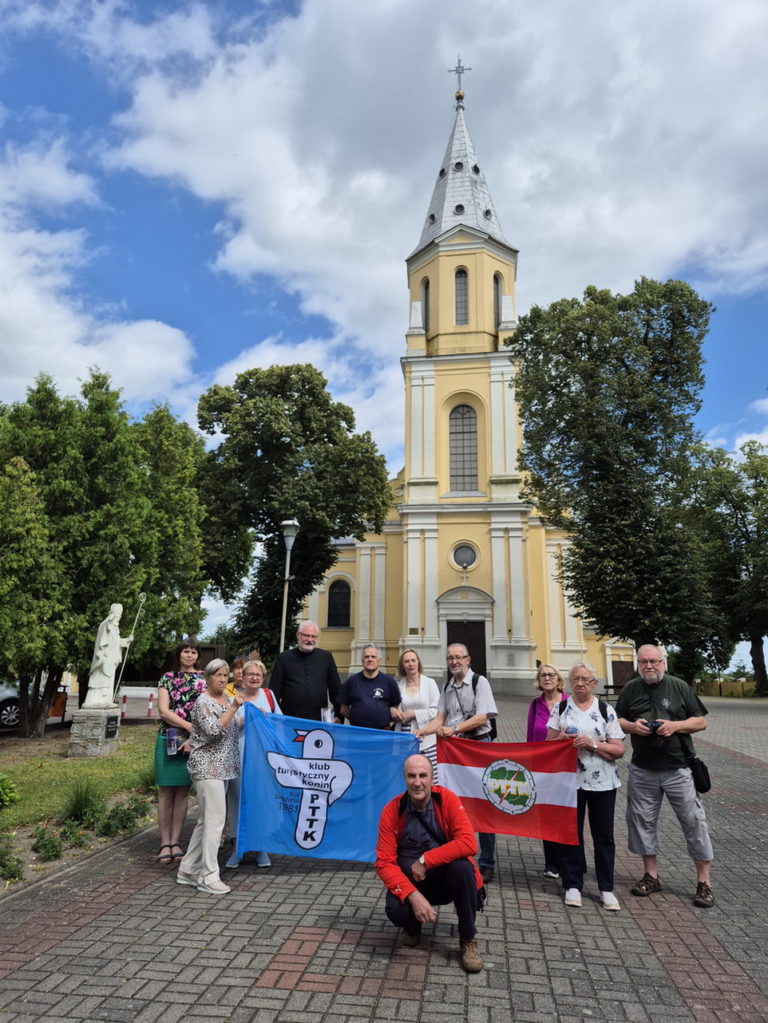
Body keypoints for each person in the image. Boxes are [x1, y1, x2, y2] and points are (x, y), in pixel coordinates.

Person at [615, 644, 714, 908]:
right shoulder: (631, 689)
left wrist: (675, 726)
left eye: (654, 661)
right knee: (642, 821)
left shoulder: (679, 686)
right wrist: (633, 726)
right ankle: (651, 876)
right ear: (638, 664)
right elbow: (617, 720)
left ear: (664, 663)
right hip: (642, 768)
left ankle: (704, 883)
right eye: (644, 661)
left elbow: (700, 721)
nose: (649, 666)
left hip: (678, 768)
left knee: (694, 821)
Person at [376, 754, 485, 972]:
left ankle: (467, 939)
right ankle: (413, 927)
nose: (417, 782)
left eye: (423, 775)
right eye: (411, 776)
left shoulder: (448, 800)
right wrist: (413, 896)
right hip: (412, 884)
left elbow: (468, 843)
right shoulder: (391, 810)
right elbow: (384, 862)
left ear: (432, 777)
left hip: (444, 880)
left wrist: (426, 860)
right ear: (404, 779)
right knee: (396, 910)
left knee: (463, 868)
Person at [416, 643, 498, 883]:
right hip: (457, 749)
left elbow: (483, 716)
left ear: (468, 659)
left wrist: (453, 728)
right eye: (450, 658)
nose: (454, 662)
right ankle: (457, 853)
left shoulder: (480, 682)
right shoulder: (448, 685)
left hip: (480, 746)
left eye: (458, 658)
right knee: (457, 802)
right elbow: (440, 717)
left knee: (484, 803)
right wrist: (421, 732)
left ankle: (487, 861)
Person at [546, 662, 625, 910]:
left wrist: (592, 744)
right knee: (571, 834)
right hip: (570, 782)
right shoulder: (560, 708)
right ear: (570, 682)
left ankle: (606, 888)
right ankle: (572, 884)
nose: (580, 683)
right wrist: (562, 739)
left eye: (585, 679)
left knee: (604, 837)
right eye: (576, 679)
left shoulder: (605, 709)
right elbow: (547, 745)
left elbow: (619, 749)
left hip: (603, 783)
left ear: (594, 684)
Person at [176, 659, 243, 894]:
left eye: (226, 675)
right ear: (208, 677)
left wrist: (253, 716)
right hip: (207, 768)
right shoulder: (203, 702)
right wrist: (234, 708)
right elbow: (215, 732)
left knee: (206, 822)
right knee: (215, 824)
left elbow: (233, 726)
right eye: (218, 675)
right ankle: (208, 876)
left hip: (223, 768)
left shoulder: (224, 699)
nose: (223, 679)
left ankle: (187, 869)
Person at [225, 660, 282, 869]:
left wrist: (269, 720)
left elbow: (280, 722)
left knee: (262, 802)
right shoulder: (233, 699)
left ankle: (261, 849)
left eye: (259, 674)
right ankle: (238, 849)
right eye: (250, 674)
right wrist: (240, 721)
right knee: (237, 802)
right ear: (243, 676)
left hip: (263, 760)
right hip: (238, 758)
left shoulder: (269, 696)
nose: (255, 677)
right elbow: (224, 727)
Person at [155, 639, 206, 864]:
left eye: (193, 651)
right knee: (166, 791)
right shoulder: (168, 678)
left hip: (194, 741)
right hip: (170, 737)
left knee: (183, 791)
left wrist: (194, 734)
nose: (189, 655)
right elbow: (164, 711)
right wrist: (187, 727)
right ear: (179, 654)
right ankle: (164, 842)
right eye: (186, 651)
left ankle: (176, 841)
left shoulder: (203, 679)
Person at [526, 663, 567, 879]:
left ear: (559, 679)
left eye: (551, 675)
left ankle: (570, 861)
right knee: (547, 815)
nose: (547, 678)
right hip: (543, 767)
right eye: (543, 675)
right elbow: (530, 738)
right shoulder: (535, 705)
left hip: (567, 767)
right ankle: (552, 862)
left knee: (567, 814)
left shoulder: (571, 702)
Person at [270, 621, 342, 720]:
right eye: (306, 636)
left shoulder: (326, 657)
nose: (310, 639)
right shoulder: (284, 658)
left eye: (313, 636)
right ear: (298, 635)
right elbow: (274, 692)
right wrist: (274, 717)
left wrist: (338, 715)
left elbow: (336, 690)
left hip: (318, 720)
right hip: (289, 719)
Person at [395, 650, 440, 776]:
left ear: (418, 663)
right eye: (407, 661)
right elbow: (396, 708)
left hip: (426, 738)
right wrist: (397, 714)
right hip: (404, 738)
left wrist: (414, 713)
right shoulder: (400, 685)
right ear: (402, 665)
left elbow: (437, 711)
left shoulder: (429, 683)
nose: (410, 664)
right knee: (407, 775)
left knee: (428, 775)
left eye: (413, 660)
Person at [338, 643, 404, 729]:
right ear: (362, 661)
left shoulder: (389, 682)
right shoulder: (352, 681)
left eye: (373, 656)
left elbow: (395, 707)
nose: (370, 659)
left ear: (379, 660)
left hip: (383, 734)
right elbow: (343, 710)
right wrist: (357, 719)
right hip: (358, 733)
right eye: (366, 657)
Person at [83, 603, 133, 708]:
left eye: (119, 618)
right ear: (112, 615)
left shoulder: (115, 629)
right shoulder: (105, 625)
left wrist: (127, 640)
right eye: (117, 617)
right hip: (104, 659)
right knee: (100, 679)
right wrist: (101, 655)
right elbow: (102, 642)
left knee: (108, 680)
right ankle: (95, 700)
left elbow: (116, 642)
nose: (118, 620)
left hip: (111, 659)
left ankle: (105, 699)